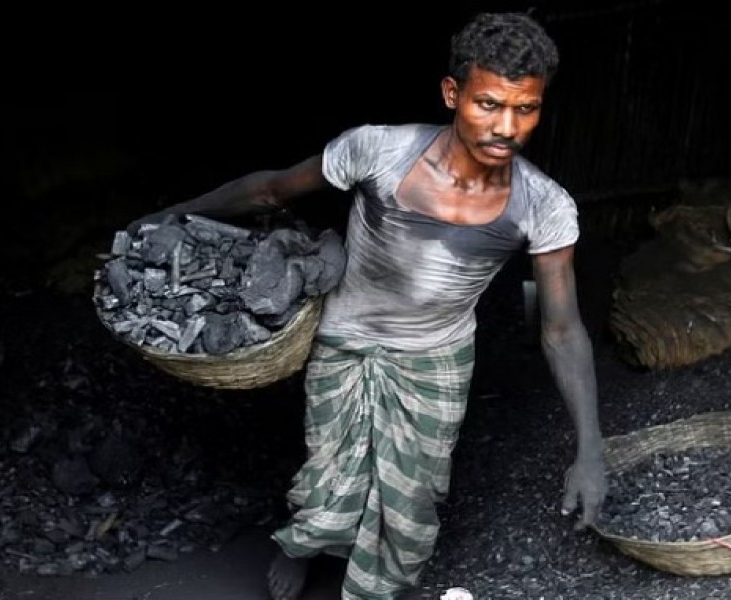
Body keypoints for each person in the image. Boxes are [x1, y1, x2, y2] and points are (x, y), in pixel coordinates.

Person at [129, 11, 607, 600]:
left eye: (526, 108)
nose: (506, 127)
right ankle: (301, 544)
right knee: (327, 472)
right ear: (453, 93)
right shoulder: (378, 151)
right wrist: (174, 214)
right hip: (346, 340)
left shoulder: (543, 206)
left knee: (413, 495)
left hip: (436, 359)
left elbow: (561, 330)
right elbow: (271, 189)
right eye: (488, 104)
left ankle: (376, 582)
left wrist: (591, 450)